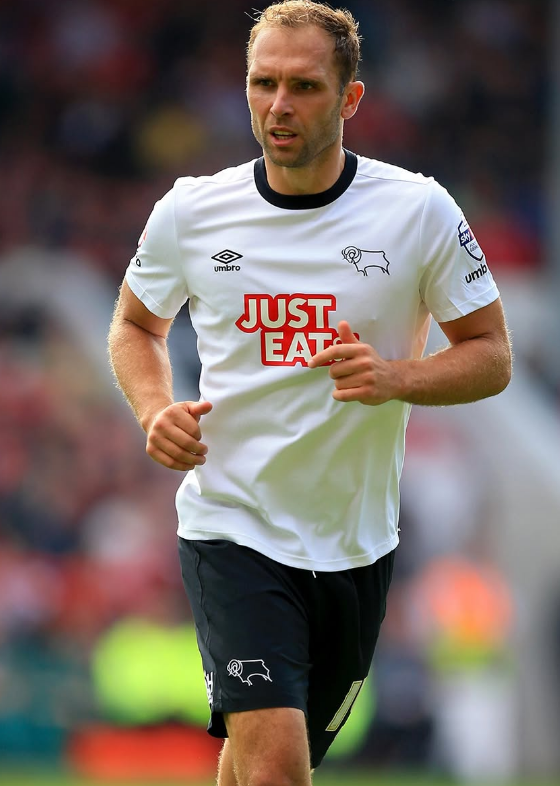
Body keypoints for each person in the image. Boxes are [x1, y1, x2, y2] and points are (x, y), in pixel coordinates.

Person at [107, 2, 512, 784]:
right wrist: (155, 410)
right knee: (277, 770)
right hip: (232, 524)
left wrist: (396, 378)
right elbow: (134, 325)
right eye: (263, 83)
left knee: (259, 766)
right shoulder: (191, 211)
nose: (279, 105)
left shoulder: (419, 211)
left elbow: (492, 355)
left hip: (355, 543)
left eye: (304, 85)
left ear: (350, 98)